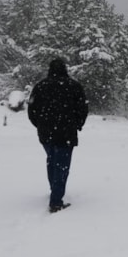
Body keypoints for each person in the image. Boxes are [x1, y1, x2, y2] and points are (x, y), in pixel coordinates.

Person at [28, 58, 89, 213]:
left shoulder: (40, 87)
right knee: (62, 165)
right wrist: (77, 124)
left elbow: (31, 110)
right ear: (65, 69)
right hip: (66, 132)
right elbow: (83, 108)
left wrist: (40, 125)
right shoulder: (74, 86)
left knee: (52, 160)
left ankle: (54, 189)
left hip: (46, 133)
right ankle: (56, 200)